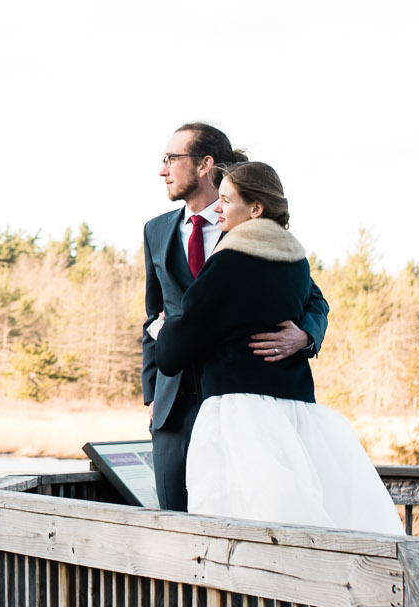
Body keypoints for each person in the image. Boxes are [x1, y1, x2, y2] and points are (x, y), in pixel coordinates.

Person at [149, 162, 400, 533]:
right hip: (295, 413)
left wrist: (163, 329)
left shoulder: (228, 262)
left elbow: (172, 354)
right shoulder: (296, 262)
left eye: (226, 200)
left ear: (256, 208)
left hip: (237, 414)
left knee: (238, 523)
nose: (218, 208)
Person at [143, 123, 327, 511]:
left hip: (240, 400)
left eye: (171, 159)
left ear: (204, 164)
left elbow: (313, 299)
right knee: (176, 522)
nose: (163, 170)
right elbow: (152, 315)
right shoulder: (155, 231)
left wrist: (305, 337)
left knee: (242, 514)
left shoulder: (255, 229)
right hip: (173, 405)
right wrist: (152, 397)